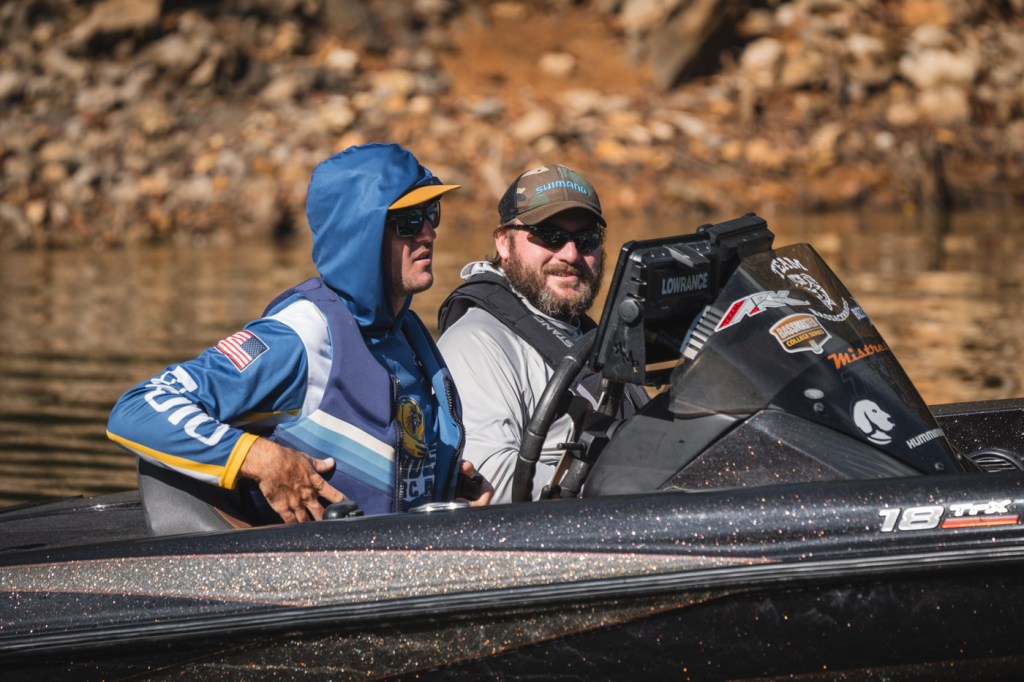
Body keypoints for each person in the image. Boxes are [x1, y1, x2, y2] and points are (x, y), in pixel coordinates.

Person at [107, 142, 492, 530]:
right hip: (315, 563)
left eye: (431, 213)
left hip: (400, 553)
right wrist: (262, 458)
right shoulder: (301, 335)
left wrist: (446, 488)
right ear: (359, 233)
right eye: (408, 221)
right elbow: (140, 407)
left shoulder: (408, 336)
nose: (429, 233)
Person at [437, 164, 647, 504]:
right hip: (578, 527)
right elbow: (491, 481)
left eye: (586, 239)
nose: (571, 254)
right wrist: (641, 487)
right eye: (550, 236)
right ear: (504, 243)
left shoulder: (581, 331)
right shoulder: (475, 342)